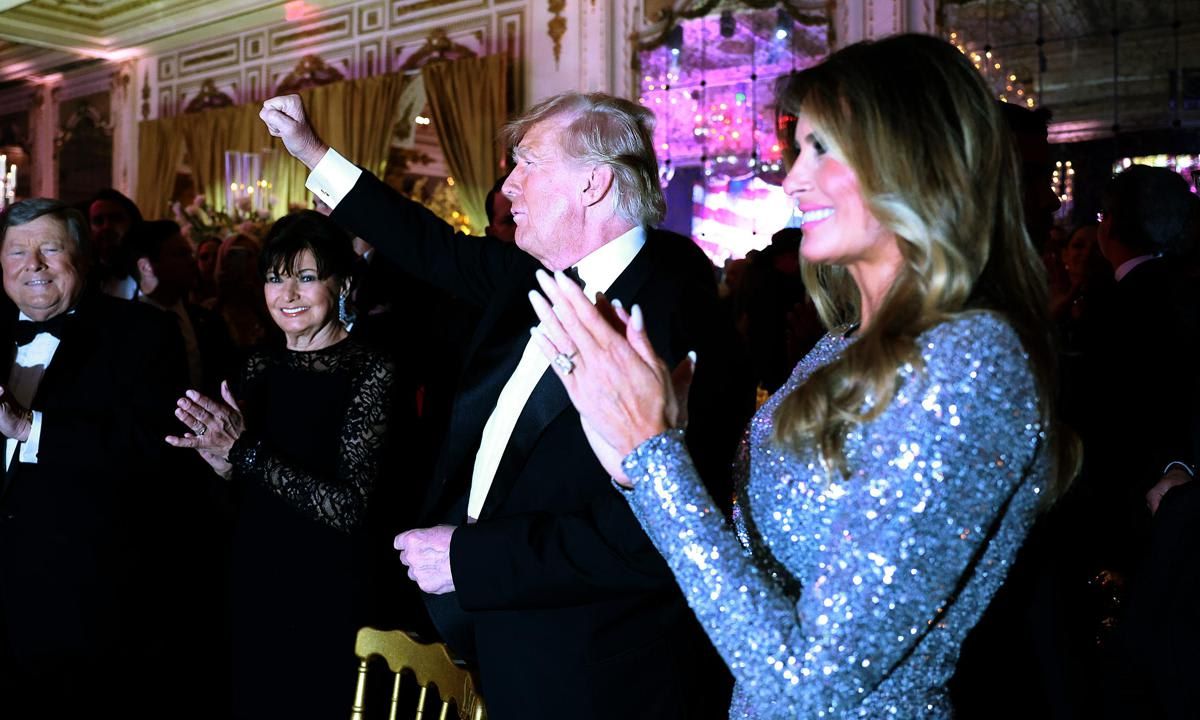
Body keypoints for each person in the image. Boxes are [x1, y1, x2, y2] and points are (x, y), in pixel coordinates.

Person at [526, 34, 1077, 718]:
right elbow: (744, 578)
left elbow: (809, 681)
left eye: (822, 149)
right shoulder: (840, 346)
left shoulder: (972, 360)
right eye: (797, 150)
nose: (791, 180)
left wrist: (656, 453)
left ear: (915, 158)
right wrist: (635, 458)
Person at [261, 90, 745, 718]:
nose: (508, 186)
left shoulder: (676, 315)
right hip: (502, 641)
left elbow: (654, 536)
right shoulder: (528, 278)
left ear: (593, 185)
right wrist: (311, 151)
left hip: (601, 669)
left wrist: (467, 557)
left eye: (527, 165)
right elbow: (423, 241)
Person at [165, 210, 396, 719]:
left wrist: (243, 452)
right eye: (276, 278)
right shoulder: (257, 364)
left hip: (331, 593)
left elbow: (348, 508)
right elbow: (245, 487)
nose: (287, 294)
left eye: (306, 277)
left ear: (342, 283)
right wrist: (221, 465)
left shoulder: (371, 371)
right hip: (256, 582)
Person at [0, 198, 197, 718]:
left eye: (50, 249)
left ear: (82, 259)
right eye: (18, 251)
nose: (33, 264)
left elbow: (155, 451)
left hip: (84, 610)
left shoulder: (141, 334)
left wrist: (27, 427)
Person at [126, 219, 235, 395]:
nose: (192, 262)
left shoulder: (208, 320)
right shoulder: (123, 326)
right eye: (181, 254)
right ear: (146, 267)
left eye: (190, 254)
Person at [88, 187, 143, 299]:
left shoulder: (148, 272)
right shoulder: (82, 275)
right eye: (98, 221)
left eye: (115, 219)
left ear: (132, 223)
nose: (106, 227)